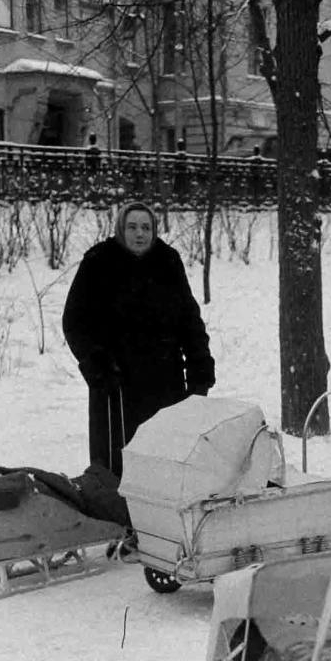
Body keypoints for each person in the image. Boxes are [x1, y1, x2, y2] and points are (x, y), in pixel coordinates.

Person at [62, 201, 215, 480]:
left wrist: (199, 368)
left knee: (164, 459)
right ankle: (114, 516)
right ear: (121, 228)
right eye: (132, 227)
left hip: (164, 381)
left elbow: (189, 320)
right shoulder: (98, 261)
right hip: (116, 385)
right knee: (116, 465)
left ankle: (159, 519)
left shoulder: (168, 261)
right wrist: (97, 364)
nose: (139, 234)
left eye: (146, 227)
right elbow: (75, 322)